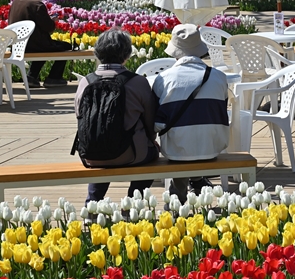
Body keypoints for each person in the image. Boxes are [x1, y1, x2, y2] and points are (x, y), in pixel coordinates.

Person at [74, 29, 159, 203]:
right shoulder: (137, 82)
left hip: (90, 156)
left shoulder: (86, 82)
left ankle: (93, 202)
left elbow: (79, 117)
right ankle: (132, 202)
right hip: (131, 154)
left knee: (101, 150)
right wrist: (151, 141)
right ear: (126, 54)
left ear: (98, 52)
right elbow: (150, 122)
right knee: (152, 154)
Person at [152, 24, 231, 198]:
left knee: (181, 144)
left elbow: (157, 122)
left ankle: (178, 198)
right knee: (191, 138)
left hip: (176, 152)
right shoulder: (219, 76)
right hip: (213, 147)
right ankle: (196, 183)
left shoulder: (163, 79)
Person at [8, 0, 72, 87]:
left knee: (43, 44)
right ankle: (54, 78)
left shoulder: (16, 1)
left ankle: (32, 77)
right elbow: (48, 27)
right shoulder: (36, 4)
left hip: (16, 45)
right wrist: (52, 21)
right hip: (33, 45)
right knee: (66, 46)